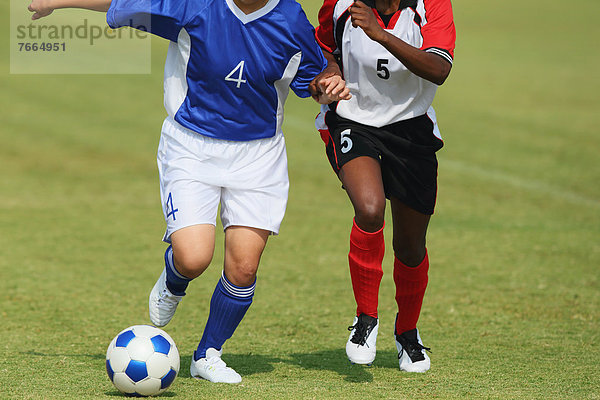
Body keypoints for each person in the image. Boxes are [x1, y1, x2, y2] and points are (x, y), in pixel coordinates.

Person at [28, 0, 351, 384]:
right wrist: (58, 3)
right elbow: (123, 3)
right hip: (191, 147)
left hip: (259, 155)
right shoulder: (194, 5)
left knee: (244, 267)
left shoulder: (290, 17)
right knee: (194, 257)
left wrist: (328, 85)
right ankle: (173, 281)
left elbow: (314, 78)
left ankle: (207, 354)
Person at [312, 0, 456, 372]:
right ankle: (366, 320)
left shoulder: (432, 6)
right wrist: (328, 75)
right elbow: (324, 47)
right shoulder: (340, 5)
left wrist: (380, 33)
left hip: (412, 129)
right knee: (370, 208)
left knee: (410, 248)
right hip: (354, 122)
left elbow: (439, 69)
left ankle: (407, 333)